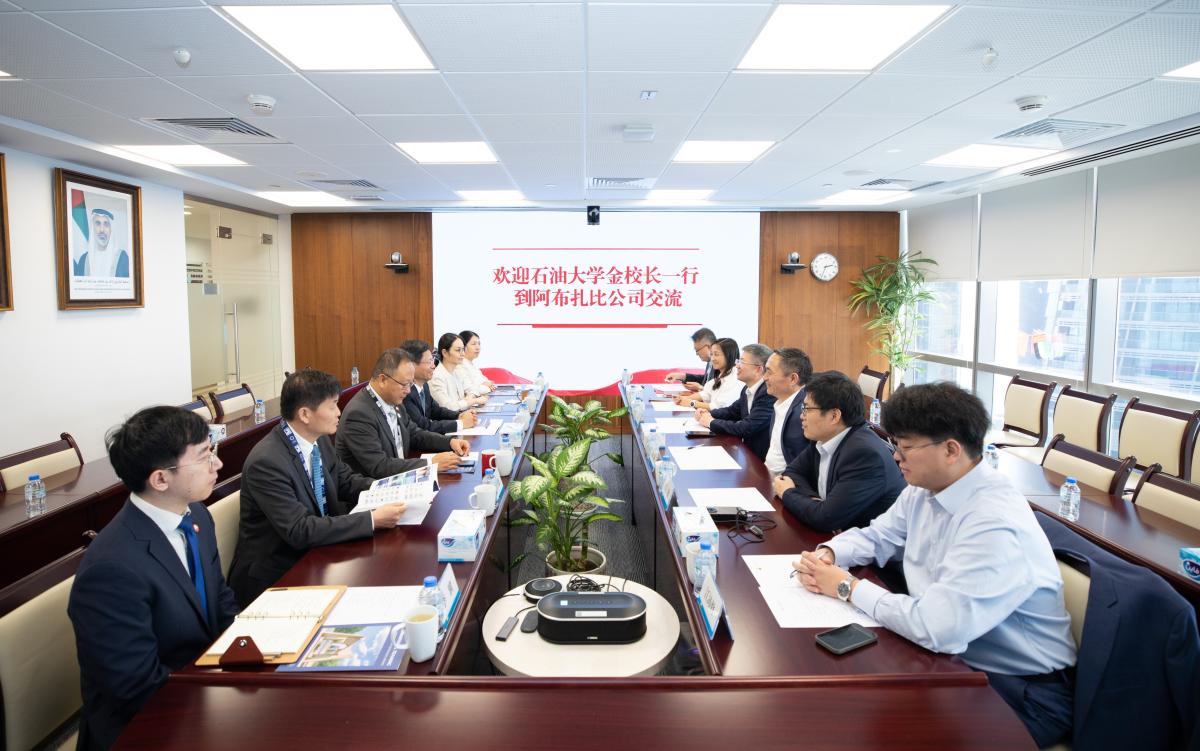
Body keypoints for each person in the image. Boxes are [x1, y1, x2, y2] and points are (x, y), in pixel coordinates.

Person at [792, 382, 1076, 748]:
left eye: (906, 447)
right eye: (895, 444)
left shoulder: (993, 520)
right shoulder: (924, 489)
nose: (896, 456)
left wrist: (846, 586)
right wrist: (831, 554)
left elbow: (938, 627)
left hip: (1020, 691)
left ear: (951, 450)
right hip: (951, 659)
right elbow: (879, 536)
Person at [68, 406, 238, 750]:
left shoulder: (196, 516)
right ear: (160, 479)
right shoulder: (111, 569)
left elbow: (220, 601)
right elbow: (136, 687)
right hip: (146, 725)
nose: (218, 464)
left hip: (202, 690)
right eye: (204, 456)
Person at [228, 369, 405, 606]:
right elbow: (299, 530)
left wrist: (392, 489)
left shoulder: (318, 439)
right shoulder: (267, 462)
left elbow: (345, 480)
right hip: (277, 575)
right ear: (304, 414)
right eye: (332, 406)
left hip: (317, 552)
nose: (339, 412)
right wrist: (372, 519)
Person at [773, 370, 904, 531]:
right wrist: (815, 503)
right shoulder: (823, 437)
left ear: (834, 416)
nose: (802, 416)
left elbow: (824, 519)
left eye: (806, 408)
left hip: (870, 543)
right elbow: (792, 473)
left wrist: (788, 493)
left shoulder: (864, 455)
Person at [338, 347, 470, 477]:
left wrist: (449, 442)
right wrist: (431, 463)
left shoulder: (393, 399)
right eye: (404, 384)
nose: (408, 391)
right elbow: (380, 466)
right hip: (378, 485)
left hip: (403, 475)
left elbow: (414, 433)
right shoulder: (358, 414)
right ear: (383, 380)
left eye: (410, 384)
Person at [694, 343, 776, 460]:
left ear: (758, 369)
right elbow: (731, 411)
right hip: (748, 454)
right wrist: (707, 413)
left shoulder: (767, 394)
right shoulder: (747, 388)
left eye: (742, 362)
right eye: (738, 361)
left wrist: (711, 422)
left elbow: (746, 427)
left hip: (761, 459)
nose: (737, 366)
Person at [399, 339, 479, 434]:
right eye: (429, 362)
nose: (433, 366)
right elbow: (423, 426)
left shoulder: (424, 385)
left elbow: (436, 410)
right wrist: (461, 423)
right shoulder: (405, 393)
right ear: (412, 365)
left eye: (433, 360)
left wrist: (459, 415)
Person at [760, 347, 812, 476]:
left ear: (793, 379)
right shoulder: (780, 401)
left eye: (769, 372)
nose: (764, 377)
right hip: (767, 473)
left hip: (785, 481)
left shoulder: (805, 411)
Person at [673, 337, 742, 411]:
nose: (712, 358)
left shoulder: (735, 377)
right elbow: (706, 394)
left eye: (716, 354)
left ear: (729, 355)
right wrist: (682, 399)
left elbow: (719, 407)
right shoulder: (722, 375)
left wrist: (691, 403)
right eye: (711, 354)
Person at [430, 332, 489, 412]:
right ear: (445, 353)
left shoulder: (456, 371)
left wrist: (468, 398)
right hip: (450, 418)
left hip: (462, 414)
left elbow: (472, 389)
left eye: (463, 349)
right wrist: (473, 401)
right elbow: (447, 407)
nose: (463, 354)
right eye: (458, 350)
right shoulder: (437, 377)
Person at [73, 207, 130, 277]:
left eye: (106, 224)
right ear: (93, 228)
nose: (102, 230)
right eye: (98, 224)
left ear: (111, 229)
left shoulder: (122, 258)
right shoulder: (84, 260)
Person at [665, 327, 716, 393]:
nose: (697, 354)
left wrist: (700, 388)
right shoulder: (710, 362)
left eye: (697, 350)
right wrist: (682, 376)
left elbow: (719, 393)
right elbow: (706, 380)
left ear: (709, 347)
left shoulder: (722, 364)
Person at [457, 329, 495, 396]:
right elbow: (471, 391)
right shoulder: (459, 366)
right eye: (473, 344)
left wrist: (486, 385)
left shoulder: (471, 364)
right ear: (463, 346)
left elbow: (487, 381)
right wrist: (486, 387)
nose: (478, 347)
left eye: (479, 344)